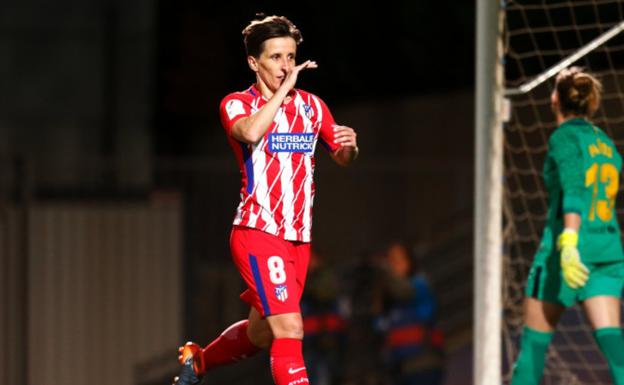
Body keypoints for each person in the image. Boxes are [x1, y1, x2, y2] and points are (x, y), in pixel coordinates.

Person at [173, 14, 358, 385]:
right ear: (253, 62)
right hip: (258, 230)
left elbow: (341, 156)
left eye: (290, 57)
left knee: (263, 333)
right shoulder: (237, 104)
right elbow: (252, 130)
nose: (286, 66)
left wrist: (351, 146)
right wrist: (280, 93)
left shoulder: (312, 107)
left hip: (298, 240)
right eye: (275, 57)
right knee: (290, 326)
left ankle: (199, 363)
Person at [510, 67, 624, 385]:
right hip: (606, 252)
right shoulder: (604, 143)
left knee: (533, 347)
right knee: (614, 345)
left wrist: (570, 240)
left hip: (565, 254)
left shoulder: (564, 137)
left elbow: (573, 189)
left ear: (555, 98)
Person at [377, 242, 444, 385]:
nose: (394, 266)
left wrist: (387, 274)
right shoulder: (388, 297)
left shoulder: (420, 284)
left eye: (398, 261)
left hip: (423, 365)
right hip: (398, 368)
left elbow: (405, 291)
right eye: (391, 261)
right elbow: (380, 324)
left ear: (410, 261)